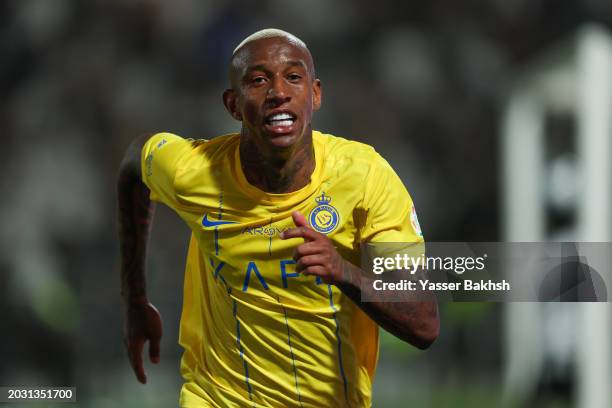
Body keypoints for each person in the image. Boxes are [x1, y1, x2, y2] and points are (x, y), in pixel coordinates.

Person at [118, 28, 439, 408]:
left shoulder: (366, 177)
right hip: (218, 398)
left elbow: (424, 323)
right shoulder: (194, 171)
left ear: (315, 94)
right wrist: (135, 298)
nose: (277, 92)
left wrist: (343, 271)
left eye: (293, 77)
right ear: (233, 105)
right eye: (258, 80)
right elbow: (135, 162)